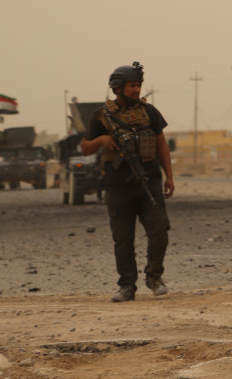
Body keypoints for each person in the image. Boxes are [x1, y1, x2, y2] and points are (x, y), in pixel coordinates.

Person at [81, 62, 175, 302]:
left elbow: (161, 145)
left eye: (138, 85)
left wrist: (170, 177)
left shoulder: (150, 112)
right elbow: (84, 148)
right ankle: (126, 285)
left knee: (160, 230)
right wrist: (102, 140)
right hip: (118, 185)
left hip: (149, 181)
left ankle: (154, 277)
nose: (136, 90)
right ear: (117, 87)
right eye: (132, 85)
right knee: (123, 239)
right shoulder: (101, 116)